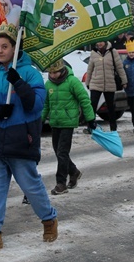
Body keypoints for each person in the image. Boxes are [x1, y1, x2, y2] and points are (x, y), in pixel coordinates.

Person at [0, 23, 57, 251]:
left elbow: (36, 105)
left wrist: (18, 82)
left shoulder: (29, 72)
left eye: (4, 47)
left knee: (31, 186)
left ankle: (49, 220)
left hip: (21, 139)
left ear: (15, 47)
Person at [41, 58, 96, 195]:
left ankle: (61, 183)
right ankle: (74, 172)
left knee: (62, 152)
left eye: (55, 73)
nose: (53, 75)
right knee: (58, 151)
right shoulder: (48, 84)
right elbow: (46, 104)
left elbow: (84, 99)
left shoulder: (72, 81)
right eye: (51, 73)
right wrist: (40, 121)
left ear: (62, 70)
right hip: (55, 122)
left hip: (68, 122)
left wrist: (90, 119)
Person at [86, 40, 127, 131]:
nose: (99, 44)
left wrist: (124, 81)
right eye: (98, 42)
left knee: (110, 107)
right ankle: (90, 126)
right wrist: (87, 82)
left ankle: (113, 127)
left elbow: (119, 67)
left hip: (109, 83)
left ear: (105, 42)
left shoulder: (113, 52)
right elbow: (90, 69)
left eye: (101, 42)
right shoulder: (94, 53)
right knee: (92, 105)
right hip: (96, 83)